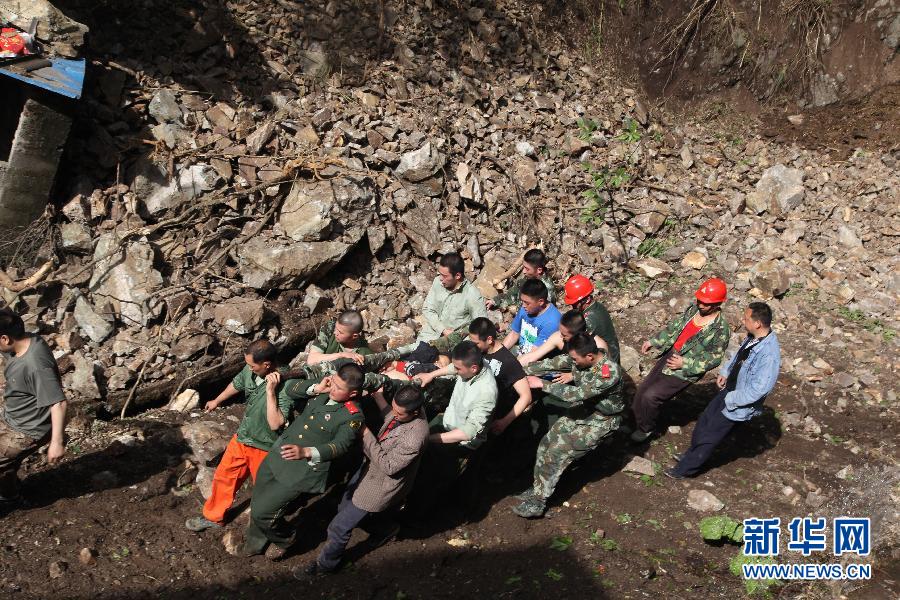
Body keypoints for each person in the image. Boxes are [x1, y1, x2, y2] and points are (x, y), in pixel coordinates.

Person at [297, 385, 429, 578]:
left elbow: (389, 466)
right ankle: (386, 529)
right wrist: (378, 397)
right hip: (369, 471)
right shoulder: (406, 410)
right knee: (345, 507)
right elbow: (391, 419)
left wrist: (366, 434)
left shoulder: (414, 439)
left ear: (415, 412)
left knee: (339, 526)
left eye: (399, 413)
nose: (394, 414)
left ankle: (325, 566)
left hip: (380, 485)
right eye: (393, 408)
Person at [239, 363, 367, 558]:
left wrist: (307, 452)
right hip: (279, 455)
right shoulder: (325, 390)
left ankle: (286, 539)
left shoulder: (352, 416)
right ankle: (254, 544)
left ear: (352, 394)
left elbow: (340, 446)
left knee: (263, 513)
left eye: (339, 388)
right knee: (258, 500)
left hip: (301, 471)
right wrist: (317, 387)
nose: (333, 388)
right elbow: (291, 387)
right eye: (334, 382)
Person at [186, 339, 292, 532]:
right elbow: (237, 383)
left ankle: (265, 527)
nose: (248, 368)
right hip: (244, 436)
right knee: (225, 475)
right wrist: (217, 400)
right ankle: (214, 516)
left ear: (266, 365)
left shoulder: (287, 383)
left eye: (252, 365)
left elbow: (276, 423)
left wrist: (270, 392)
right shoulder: (251, 371)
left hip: (265, 445)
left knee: (265, 488)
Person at [513, 333, 623, 518]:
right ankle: (539, 487)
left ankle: (538, 503)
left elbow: (577, 394)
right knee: (546, 443)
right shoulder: (581, 356)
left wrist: (543, 384)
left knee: (557, 452)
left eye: (574, 359)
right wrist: (522, 370)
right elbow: (554, 363)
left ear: (589, 357)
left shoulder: (608, 372)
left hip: (602, 420)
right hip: (585, 410)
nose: (572, 362)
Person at [667, 302, 780, 478]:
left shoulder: (769, 354)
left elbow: (760, 389)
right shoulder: (753, 337)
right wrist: (726, 372)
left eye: (746, 318)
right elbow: (738, 356)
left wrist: (732, 399)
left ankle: (684, 470)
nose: (743, 321)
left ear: (757, 323)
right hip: (728, 391)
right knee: (704, 422)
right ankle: (690, 456)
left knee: (710, 435)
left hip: (736, 401)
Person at [630, 278, 731, 443]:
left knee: (651, 396)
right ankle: (636, 418)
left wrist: (684, 363)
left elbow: (714, 358)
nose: (701, 305)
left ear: (717, 304)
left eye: (706, 303)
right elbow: (675, 327)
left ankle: (646, 428)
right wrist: (655, 341)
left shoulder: (720, 329)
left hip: (685, 369)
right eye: (700, 300)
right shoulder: (693, 310)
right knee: (643, 390)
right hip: (671, 355)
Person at [405, 341, 497, 516]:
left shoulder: (486, 392)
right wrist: (432, 374)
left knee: (432, 479)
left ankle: (417, 518)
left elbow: (467, 432)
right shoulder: (470, 365)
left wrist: (431, 439)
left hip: (460, 443)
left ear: (474, 368)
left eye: (459, 369)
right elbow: (453, 368)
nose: (455, 370)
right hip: (448, 422)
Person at [414, 318, 531, 436]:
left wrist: (504, 422)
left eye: (476, 343)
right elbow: (458, 366)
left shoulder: (508, 362)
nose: (473, 346)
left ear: (489, 339)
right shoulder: (479, 350)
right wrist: (431, 374)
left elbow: (526, 396)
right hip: (465, 401)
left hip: (485, 414)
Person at [0, 308, 67, 507]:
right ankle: (9, 496)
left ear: (5, 339)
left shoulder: (36, 364)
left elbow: (59, 402)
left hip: (27, 428)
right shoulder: (26, 340)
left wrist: (56, 442)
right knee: (4, 463)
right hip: (13, 415)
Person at [418, 252, 487, 342]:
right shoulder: (437, 282)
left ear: (457, 275)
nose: (441, 279)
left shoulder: (472, 294)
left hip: (453, 344)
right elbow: (427, 309)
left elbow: (481, 325)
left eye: (445, 276)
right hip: (429, 336)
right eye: (440, 274)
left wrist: (460, 339)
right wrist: (442, 329)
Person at [517, 309, 609, 368]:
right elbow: (533, 355)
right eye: (560, 332)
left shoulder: (598, 346)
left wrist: (572, 376)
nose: (561, 336)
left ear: (577, 335)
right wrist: (513, 367)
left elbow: (603, 373)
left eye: (565, 335)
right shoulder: (558, 337)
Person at [562, 274, 620, 363]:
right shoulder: (596, 306)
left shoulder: (589, 319)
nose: (572, 306)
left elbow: (579, 344)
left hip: (606, 360)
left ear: (587, 300)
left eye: (575, 304)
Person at [503, 279, 562, 355]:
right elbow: (514, 333)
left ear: (540, 302)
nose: (523, 306)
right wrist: (499, 354)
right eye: (522, 301)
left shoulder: (552, 322)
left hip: (537, 359)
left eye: (527, 303)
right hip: (522, 349)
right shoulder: (526, 309)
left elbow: (534, 354)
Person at [487, 248, 557, 309]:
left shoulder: (547, 290)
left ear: (539, 270)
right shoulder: (528, 277)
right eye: (523, 267)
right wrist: (495, 301)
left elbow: (540, 313)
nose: (523, 271)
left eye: (527, 269)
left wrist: (516, 310)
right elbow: (511, 295)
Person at [306, 310, 373, 365]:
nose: (335, 333)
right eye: (336, 328)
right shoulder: (329, 329)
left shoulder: (364, 353)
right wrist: (341, 355)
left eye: (340, 332)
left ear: (354, 336)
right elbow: (311, 360)